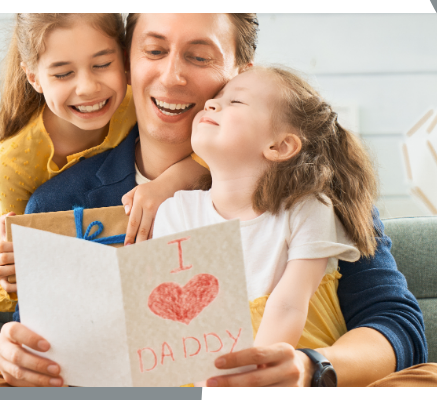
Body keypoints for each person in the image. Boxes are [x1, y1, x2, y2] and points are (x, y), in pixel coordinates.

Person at [0, 13, 437, 387]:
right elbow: (41, 334)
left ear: (239, 71)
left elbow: (395, 323)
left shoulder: (313, 182)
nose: (173, 76)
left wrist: (311, 369)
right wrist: (17, 352)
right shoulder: (62, 199)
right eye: (154, 51)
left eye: (200, 56)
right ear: (127, 63)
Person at [152, 65, 374, 387]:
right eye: (216, 99)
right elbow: (172, 321)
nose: (211, 105)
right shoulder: (176, 212)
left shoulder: (306, 207)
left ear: (281, 146)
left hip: (287, 369)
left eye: (236, 103)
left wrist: (252, 378)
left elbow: (288, 305)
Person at [0, 13, 206, 315]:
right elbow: (12, 239)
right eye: (62, 74)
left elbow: (224, 138)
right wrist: (8, 268)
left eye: (101, 65)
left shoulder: (144, 98)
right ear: (33, 77)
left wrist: (170, 182)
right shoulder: (14, 159)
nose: (87, 88)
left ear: (124, 61)